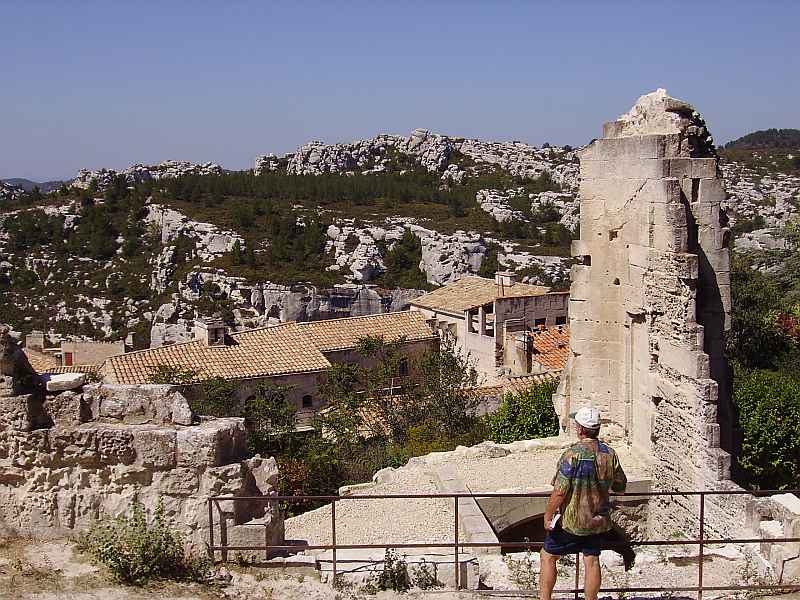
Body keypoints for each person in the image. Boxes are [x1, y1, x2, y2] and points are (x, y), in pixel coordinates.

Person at [539, 406, 631, 600]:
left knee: (547, 556)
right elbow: (621, 487)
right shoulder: (610, 454)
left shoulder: (571, 455)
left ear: (580, 429)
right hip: (597, 520)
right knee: (592, 560)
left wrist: (548, 516)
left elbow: (559, 492)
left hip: (572, 521)